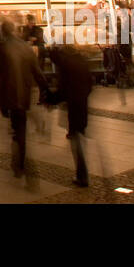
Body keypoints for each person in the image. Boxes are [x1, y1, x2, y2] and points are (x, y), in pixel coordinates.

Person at [0, 19, 48, 176]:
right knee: (20, 125)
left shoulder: (0, 47)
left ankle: (18, 161)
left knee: (17, 127)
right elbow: (37, 71)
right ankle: (20, 159)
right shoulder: (25, 47)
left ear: (3, 31)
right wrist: (45, 90)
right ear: (14, 30)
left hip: (8, 94)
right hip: (24, 93)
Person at [46, 45, 93, 187]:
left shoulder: (66, 65)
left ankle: (82, 175)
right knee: (80, 135)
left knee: (76, 139)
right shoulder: (81, 61)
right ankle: (82, 173)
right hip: (82, 104)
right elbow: (90, 84)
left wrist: (51, 99)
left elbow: (63, 90)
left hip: (73, 106)